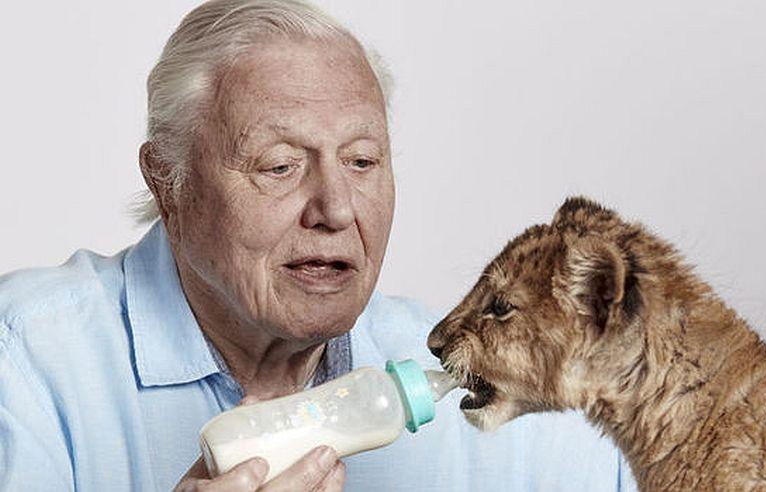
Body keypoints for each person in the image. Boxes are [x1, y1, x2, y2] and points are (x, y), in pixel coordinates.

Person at [0, 1, 636, 490]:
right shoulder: (27, 363)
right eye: (280, 166)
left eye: (362, 161)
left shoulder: (492, 389)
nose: (335, 209)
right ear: (169, 182)